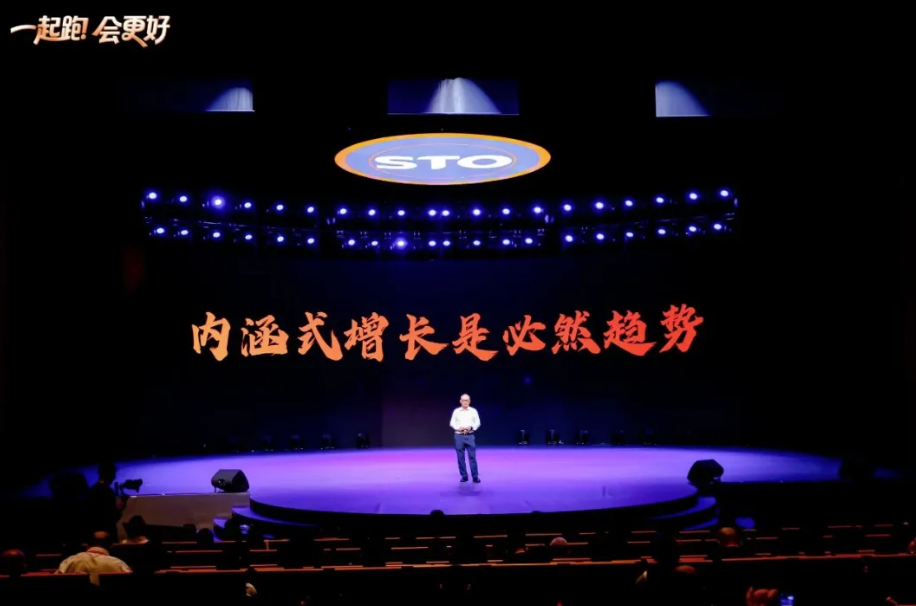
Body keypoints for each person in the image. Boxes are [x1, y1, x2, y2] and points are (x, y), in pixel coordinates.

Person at [450, 393, 480, 483]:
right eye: (463, 400)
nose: (465, 402)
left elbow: (477, 422)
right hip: (459, 436)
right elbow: (452, 423)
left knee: (472, 457)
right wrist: (459, 427)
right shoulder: (456, 411)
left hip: (470, 436)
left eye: (467, 400)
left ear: (469, 401)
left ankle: (475, 476)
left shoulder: (473, 411)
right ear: (460, 401)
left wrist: (471, 427)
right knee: (460, 457)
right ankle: (464, 476)